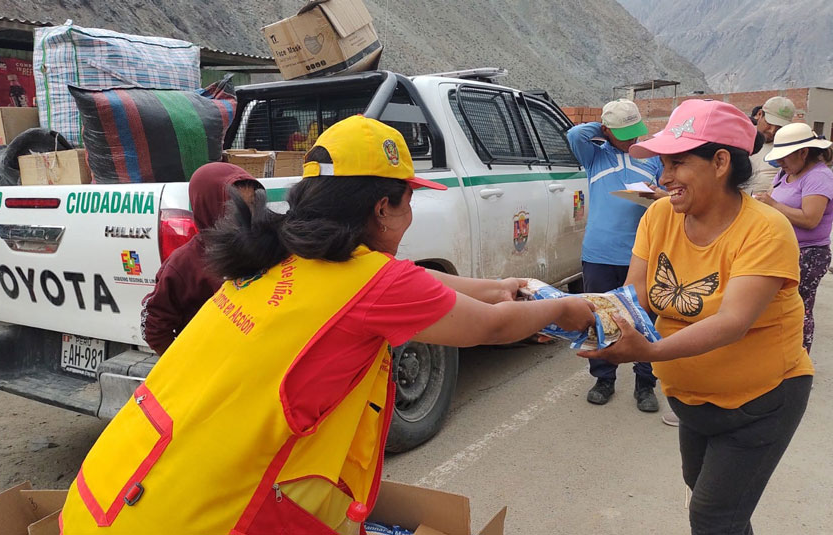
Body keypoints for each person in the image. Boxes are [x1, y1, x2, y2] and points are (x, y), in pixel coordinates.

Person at [59, 116, 595, 533]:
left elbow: (395, 281)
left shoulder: (274, 252)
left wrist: (490, 287)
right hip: (194, 521)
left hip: (109, 494)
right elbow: (495, 328)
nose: (408, 218)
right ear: (384, 208)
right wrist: (564, 308)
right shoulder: (365, 282)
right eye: (408, 202)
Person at [579, 99, 813, 534]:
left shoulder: (766, 229)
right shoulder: (659, 216)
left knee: (714, 515)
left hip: (761, 402)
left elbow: (732, 322)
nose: (663, 177)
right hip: (692, 402)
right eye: (662, 163)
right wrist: (550, 311)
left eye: (677, 163)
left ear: (721, 161)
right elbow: (632, 297)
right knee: (708, 498)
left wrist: (648, 350)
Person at [566, 98, 663, 412]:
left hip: (642, 254)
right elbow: (575, 135)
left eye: (635, 130)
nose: (632, 138)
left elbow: (668, 197)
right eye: (624, 132)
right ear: (607, 131)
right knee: (601, 319)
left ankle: (645, 383)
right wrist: (605, 127)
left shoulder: (652, 158)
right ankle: (604, 378)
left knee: (646, 320)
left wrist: (656, 194)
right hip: (600, 253)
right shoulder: (595, 155)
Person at [140, 162, 263, 355]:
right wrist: (185, 363)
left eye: (252, 205)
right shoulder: (184, 263)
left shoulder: (264, 245)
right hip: (212, 366)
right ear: (209, 207)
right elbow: (155, 325)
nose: (248, 216)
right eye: (238, 208)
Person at [755, 122, 833, 353]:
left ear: (803, 152)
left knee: (798, 308)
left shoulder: (819, 177)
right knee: (775, 306)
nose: (780, 162)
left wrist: (773, 205)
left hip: (808, 254)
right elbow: (770, 197)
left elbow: (810, 219)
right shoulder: (785, 172)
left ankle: (796, 358)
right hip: (783, 248)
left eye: (784, 157)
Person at [745, 96, 796, 194]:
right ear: (759, 114)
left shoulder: (788, 148)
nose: (772, 131)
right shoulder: (739, 138)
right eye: (769, 123)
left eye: (779, 127)